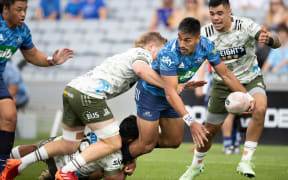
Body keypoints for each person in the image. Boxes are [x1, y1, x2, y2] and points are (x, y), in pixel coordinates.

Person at [4, 32, 168, 180]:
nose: (162, 56)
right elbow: (140, 70)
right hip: (89, 94)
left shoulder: (128, 56)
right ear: (152, 46)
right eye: (162, 50)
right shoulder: (143, 54)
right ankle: (66, 172)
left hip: (72, 90)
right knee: (114, 142)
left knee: (69, 145)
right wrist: (169, 86)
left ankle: (19, 164)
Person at [120, 17, 255, 172]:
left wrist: (247, 96)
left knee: (174, 141)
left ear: (198, 38)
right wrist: (191, 122)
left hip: (172, 93)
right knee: (146, 145)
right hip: (150, 95)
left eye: (187, 40)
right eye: (180, 39)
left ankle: (130, 146)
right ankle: (113, 160)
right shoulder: (169, 53)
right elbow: (170, 92)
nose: (182, 44)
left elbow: (225, 74)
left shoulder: (206, 46)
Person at [180, 0, 281, 179]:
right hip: (221, 84)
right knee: (208, 131)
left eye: (220, 13)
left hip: (250, 79)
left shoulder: (245, 25)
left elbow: (277, 42)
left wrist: (270, 39)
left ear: (229, 12)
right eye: (212, 14)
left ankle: (246, 160)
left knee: (261, 107)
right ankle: (196, 166)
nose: (216, 18)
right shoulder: (205, 34)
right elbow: (193, 59)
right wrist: (186, 80)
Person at [0, 0, 73, 178]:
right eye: (19, 10)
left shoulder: (22, 31)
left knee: (10, 115)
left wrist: (51, 60)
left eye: (25, 10)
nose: (23, 14)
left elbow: (32, 55)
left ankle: (2, 164)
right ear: (5, 8)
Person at [10, 115, 139, 180]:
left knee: (34, 147)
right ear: (130, 140)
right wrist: (125, 171)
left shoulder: (110, 125)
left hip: (62, 147)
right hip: (68, 168)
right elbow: (113, 179)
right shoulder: (114, 154)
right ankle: (50, 174)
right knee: (101, 171)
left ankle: (6, 157)